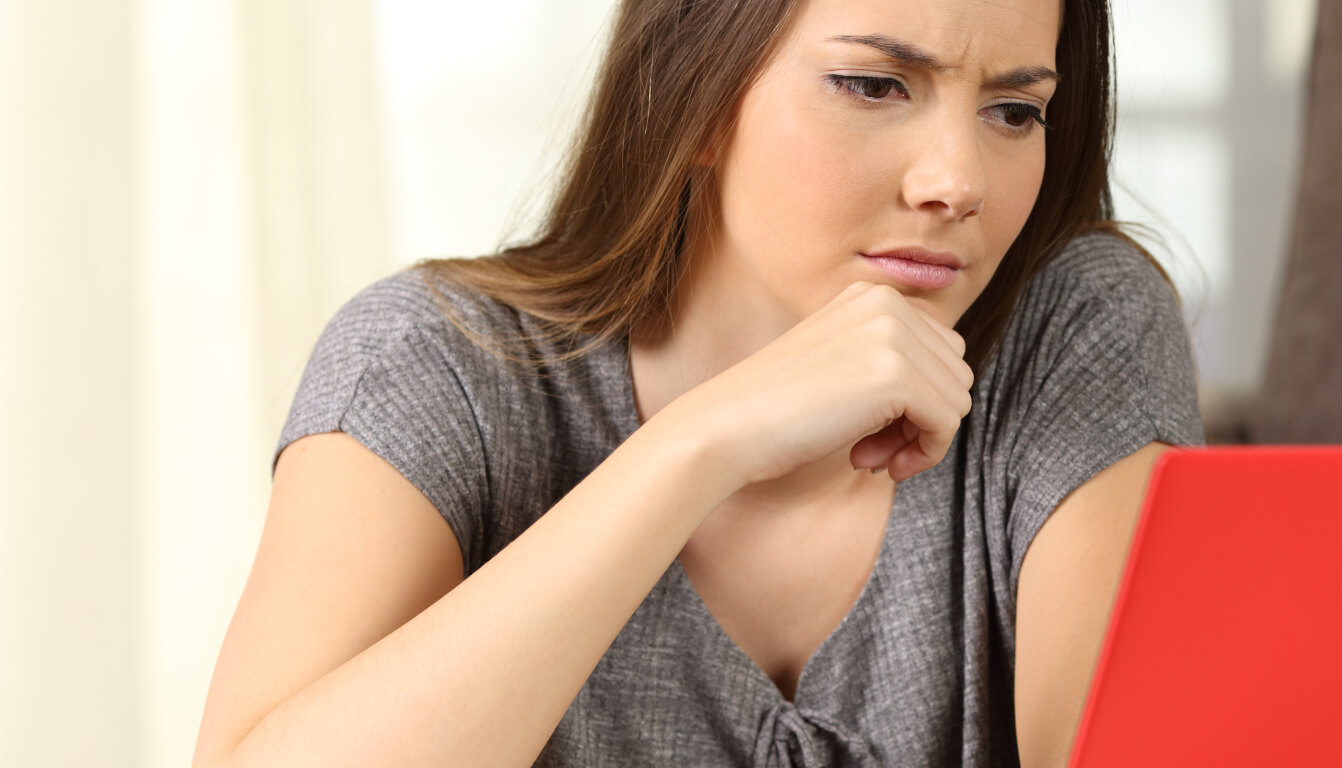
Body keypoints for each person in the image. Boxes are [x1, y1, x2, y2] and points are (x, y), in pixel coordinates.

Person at [192, 0, 1200, 765]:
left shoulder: (1069, 325)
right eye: (874, 86)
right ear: (696, 93)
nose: (957, 180)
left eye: (1013, 110)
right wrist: (695, 447)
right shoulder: (435, 361)